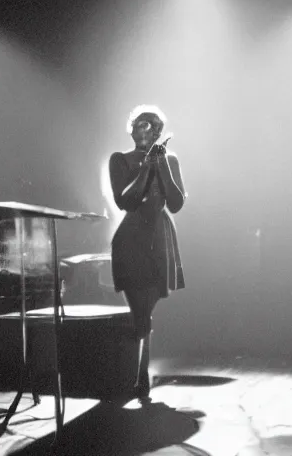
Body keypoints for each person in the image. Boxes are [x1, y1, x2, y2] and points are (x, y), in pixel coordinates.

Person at [108, 105, 186, 401]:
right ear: (132, 128)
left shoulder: (170, 160)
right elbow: (126, 201)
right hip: (132, 237)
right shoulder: (120, 160)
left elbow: (176, 202)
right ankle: (140, 372)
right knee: (139, 309)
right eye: (141, 124)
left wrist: (162, 164)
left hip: (160, 236)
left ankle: (140, 370)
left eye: (153, 126)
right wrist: (147, 167)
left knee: (147, 307)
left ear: (159, 132)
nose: (147, 130)